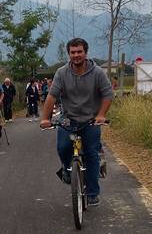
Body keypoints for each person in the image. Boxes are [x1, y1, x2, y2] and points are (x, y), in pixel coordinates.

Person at [40, 37, 113, 206]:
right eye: (73, 52)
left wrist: (101, 115)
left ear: (85, 53)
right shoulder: (62, 73)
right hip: (68, 120)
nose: (76, 55)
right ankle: (67, 169)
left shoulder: (97, 73)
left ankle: (93, 193)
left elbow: (108, 94)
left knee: (91, 154)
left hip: (90, 121)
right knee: (63, 147)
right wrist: (45, 118)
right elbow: (52, 96)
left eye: (79, 51)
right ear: (69, 54)